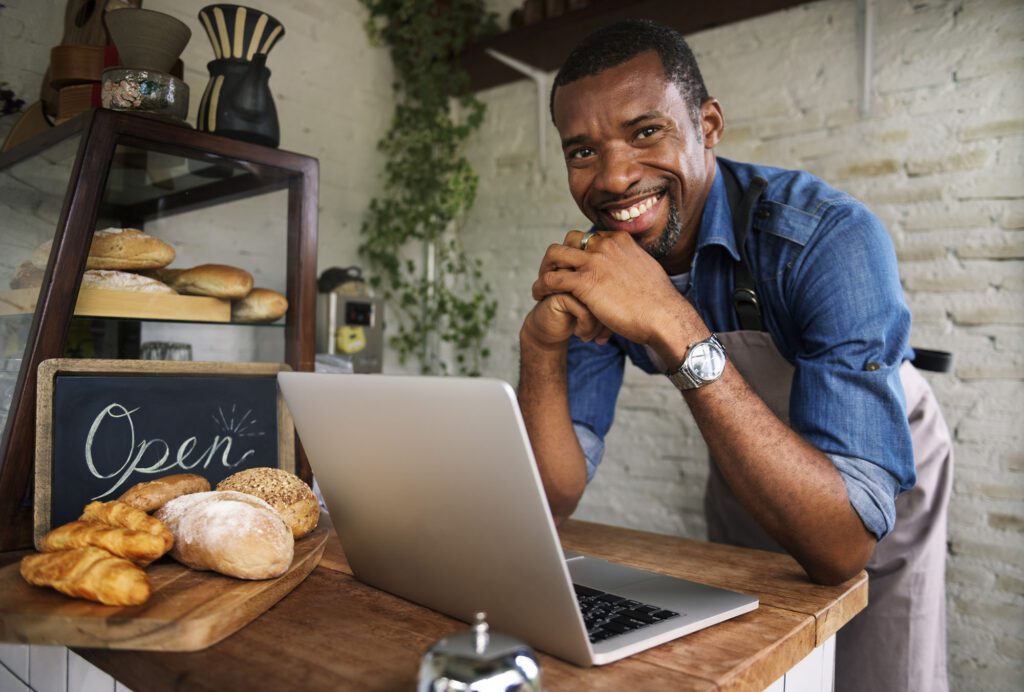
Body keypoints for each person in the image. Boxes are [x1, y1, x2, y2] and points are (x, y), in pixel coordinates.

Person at [517, 19, 952, 692]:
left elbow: (842, 545)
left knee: (878, 672)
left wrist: (670, 321)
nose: (615, 177)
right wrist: (541, 348)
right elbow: (555, 492)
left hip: (880, 487)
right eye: (581, 151)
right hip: (747, 470)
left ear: (708, 125)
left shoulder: (825, 240)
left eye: (645, 132)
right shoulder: (604, 265)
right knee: (759, 661)